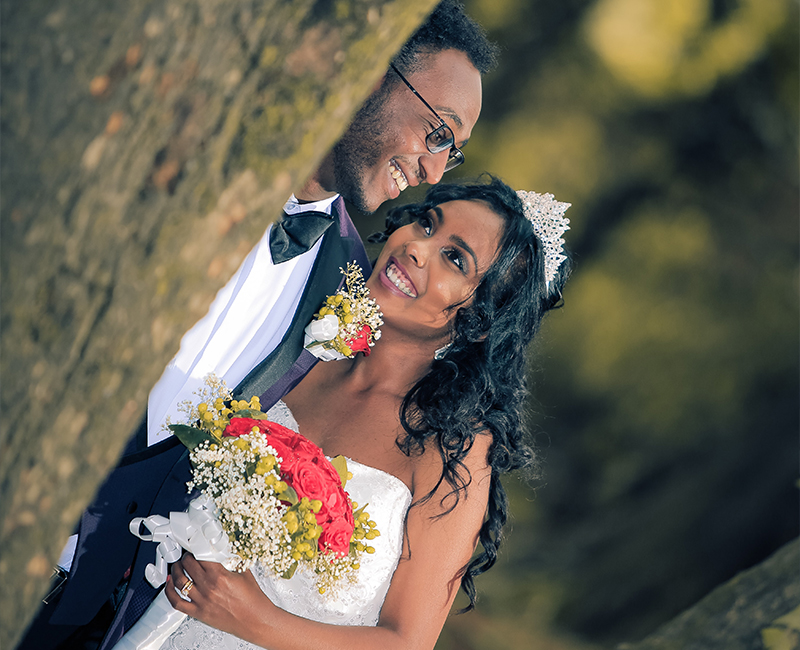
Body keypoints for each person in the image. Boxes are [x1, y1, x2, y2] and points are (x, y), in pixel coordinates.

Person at [19, 3, 499, 649]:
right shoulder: (176, 152)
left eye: (452, 151)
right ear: (370, 70)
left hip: (76, 611)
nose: (434, 171)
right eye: (437, 132)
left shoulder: (348, 290)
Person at [156, 177, 571, 650]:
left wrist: (253, 619)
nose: (416, 247)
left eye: (454, 258)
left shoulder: (453, 451)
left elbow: (406, 642)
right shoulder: (302, 344)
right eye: (426, 223)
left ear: (483, 319)